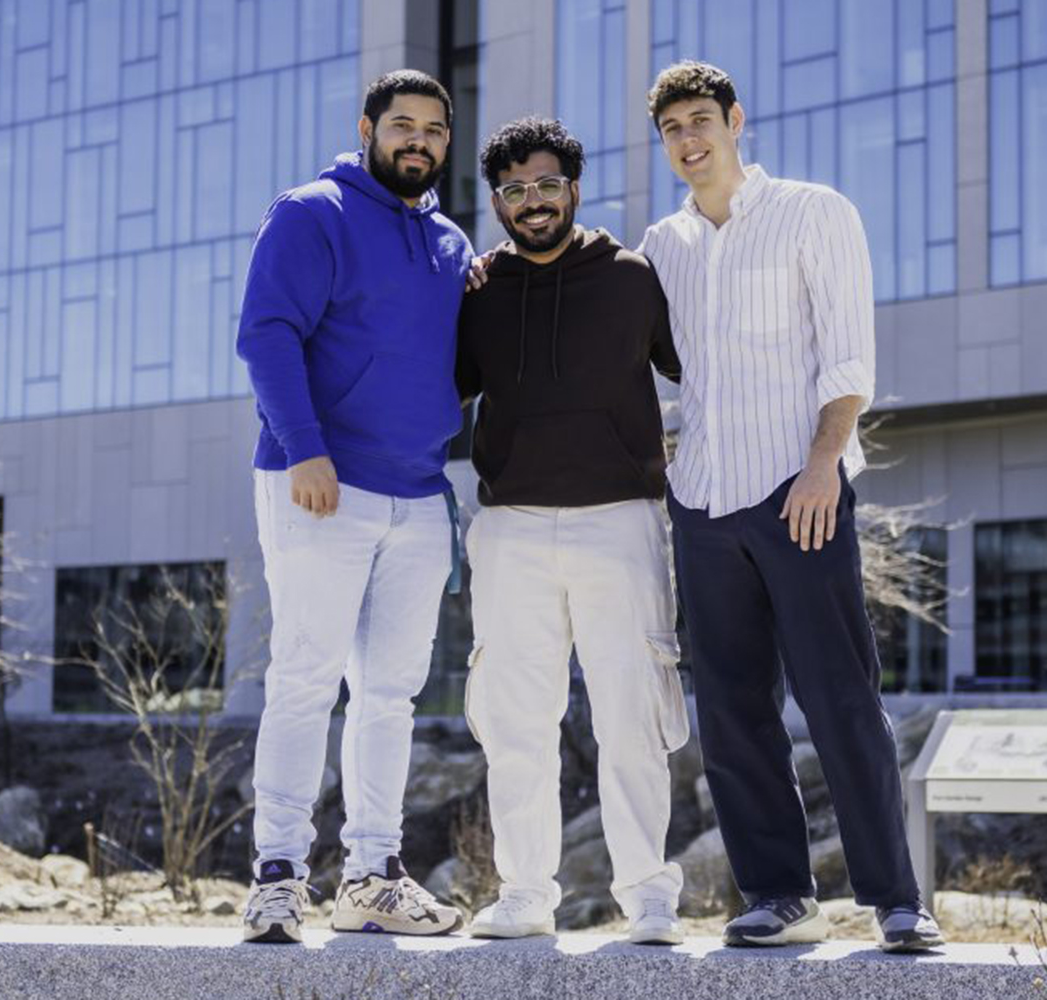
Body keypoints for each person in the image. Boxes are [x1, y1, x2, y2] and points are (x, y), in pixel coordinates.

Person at [640, 61, 944, 952]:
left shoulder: (816, 212)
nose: (690, 140)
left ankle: (895, 898)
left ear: (735, 120)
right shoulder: (662, 246)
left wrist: (822, 468)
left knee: (841, 697)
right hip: (700, 502)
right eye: (672, 130)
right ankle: (779, 895)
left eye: (702, 120)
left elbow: (848, 361)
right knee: (732, 714)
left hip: (797, 493)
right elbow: (658, 366)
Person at [235, 69, 471, 944]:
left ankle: (373, 874)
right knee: (304, 680)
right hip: (321, 484)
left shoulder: (448, 243)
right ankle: (278, 876)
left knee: (390, 696)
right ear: (368, 127)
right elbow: (266, 333)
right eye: (402, 124)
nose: (418, 140)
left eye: (434, 130)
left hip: (418, 495)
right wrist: (304, 448)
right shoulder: (312, 212)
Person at [454, 117, 687, 945]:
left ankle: (649, 897)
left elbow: (700, 367)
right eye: (514, 191)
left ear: (574, 189)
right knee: (515, 719)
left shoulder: (631, 277)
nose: (532, 203)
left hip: (619, 519)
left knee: (633, 713)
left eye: (547, 185)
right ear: (498, 202)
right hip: (511, 525)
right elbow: (443, 390)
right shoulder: (478, 293)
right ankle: (524, 892)